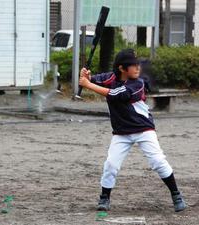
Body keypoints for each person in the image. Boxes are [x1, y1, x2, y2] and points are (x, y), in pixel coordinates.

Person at [79, 49, 187, 212]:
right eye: (134, 66)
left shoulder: (138, 83)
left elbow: (115, 94)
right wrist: (86, 77)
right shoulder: (111, 77)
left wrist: (87, 84)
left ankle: (176, 194)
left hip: (143, 129)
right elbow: (93, 80)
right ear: (122, 68)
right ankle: (104, 198)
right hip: (121, 132)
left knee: (158, 161)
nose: (138, 68)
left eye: (138, 65)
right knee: (111, 165)